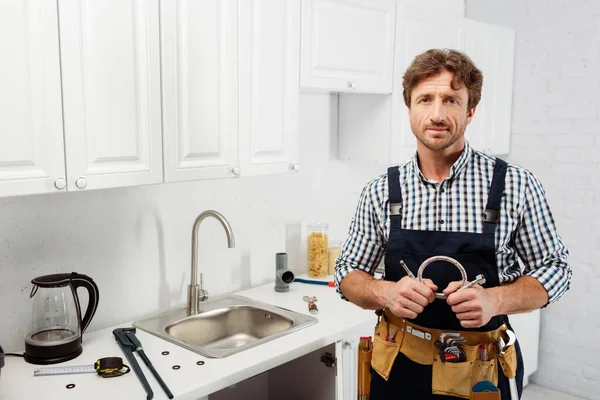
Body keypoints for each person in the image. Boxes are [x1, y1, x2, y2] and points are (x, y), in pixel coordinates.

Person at [334, 49, 572, 399]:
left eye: (450, 100)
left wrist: (496, 300)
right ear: (410, 109)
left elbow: (557, 268)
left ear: (470, 110)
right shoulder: (381, 191)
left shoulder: (515, 185)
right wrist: (385, 292)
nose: (437, 114)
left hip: (482, 370)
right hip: (398, 365)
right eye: (425, 99)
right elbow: (347, 272)